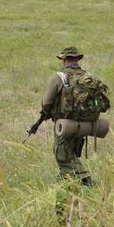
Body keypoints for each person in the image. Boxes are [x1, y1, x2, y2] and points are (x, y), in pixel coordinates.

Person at [40, 47, 94, 186]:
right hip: (85, 123)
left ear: (64, 60)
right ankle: (66, 186)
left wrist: (47, 112)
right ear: (77, 59)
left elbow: (46, 102)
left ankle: (87, 182)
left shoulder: (59, 77)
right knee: (71, 155)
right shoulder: (87, 76)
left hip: (64, 124)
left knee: (62, 156)